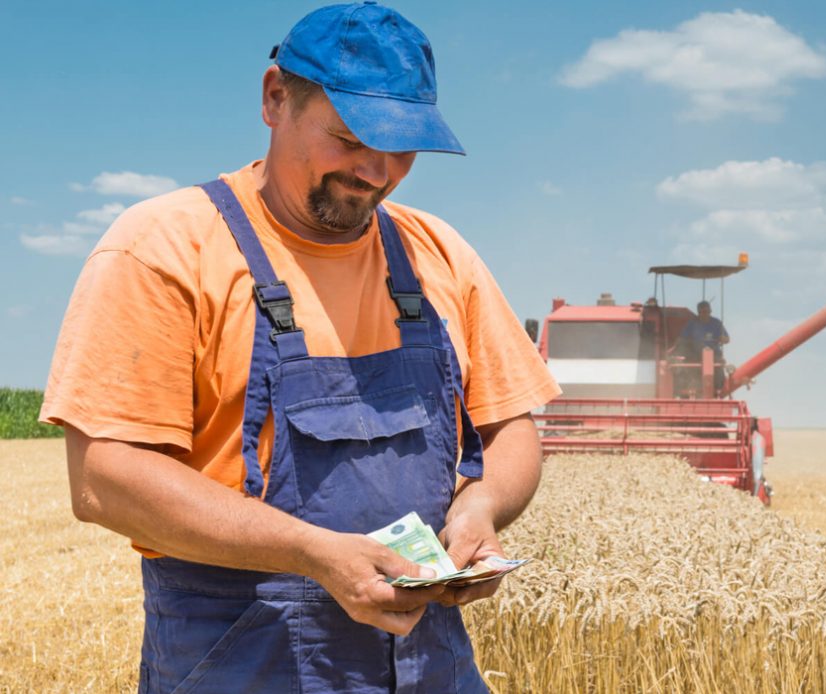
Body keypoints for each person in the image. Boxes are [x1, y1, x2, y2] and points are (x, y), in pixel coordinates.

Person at [39, 4, 559, 693]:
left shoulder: (438, 255)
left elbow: (510, 428)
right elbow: (103, 480)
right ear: (275, 97)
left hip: (430, 659)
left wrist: (479, 510)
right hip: (239, 657)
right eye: (350, 139)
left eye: (402, 148)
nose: (376, 171)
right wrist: (313, 554)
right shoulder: (166, 247)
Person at [678, 300, 730, 392]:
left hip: (714, 356)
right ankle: (690, 388)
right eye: (702, 312)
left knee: (719, 376)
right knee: (686, 370)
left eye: (706, 312)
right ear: (698, 313)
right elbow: (682, 339)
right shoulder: (692, 324)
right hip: (695, 356)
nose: (704, 314)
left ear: (710, 311)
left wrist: (723, 338)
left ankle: (717, 390)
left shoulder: (716, 323)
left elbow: (727, 339)